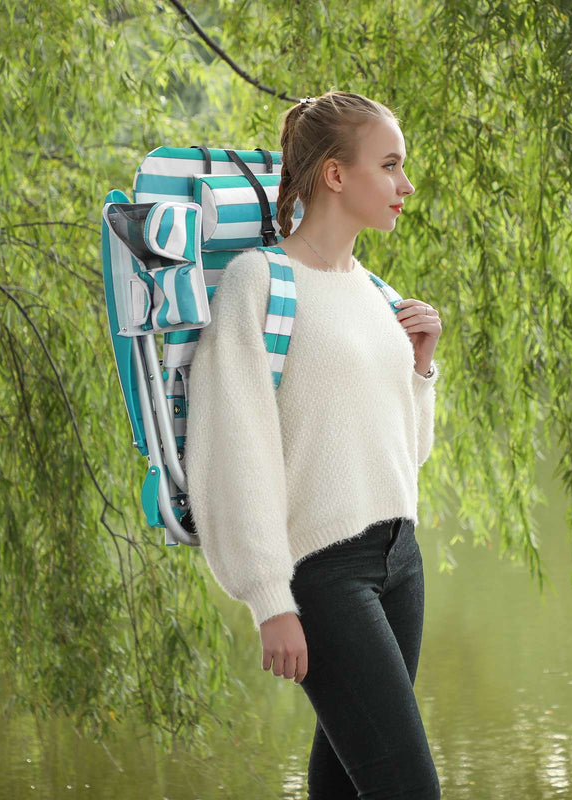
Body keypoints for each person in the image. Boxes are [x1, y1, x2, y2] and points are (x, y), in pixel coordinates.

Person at [185, 91, 442, 799]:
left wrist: (420, 367)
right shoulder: (259, 283)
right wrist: (270, 600)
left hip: (401, 559)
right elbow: (234, 452)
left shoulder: (378, 293)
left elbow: (404, 456)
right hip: (324, 574)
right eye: (389, 166)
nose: (405, 185)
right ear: (334, 175)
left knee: (347, 785)